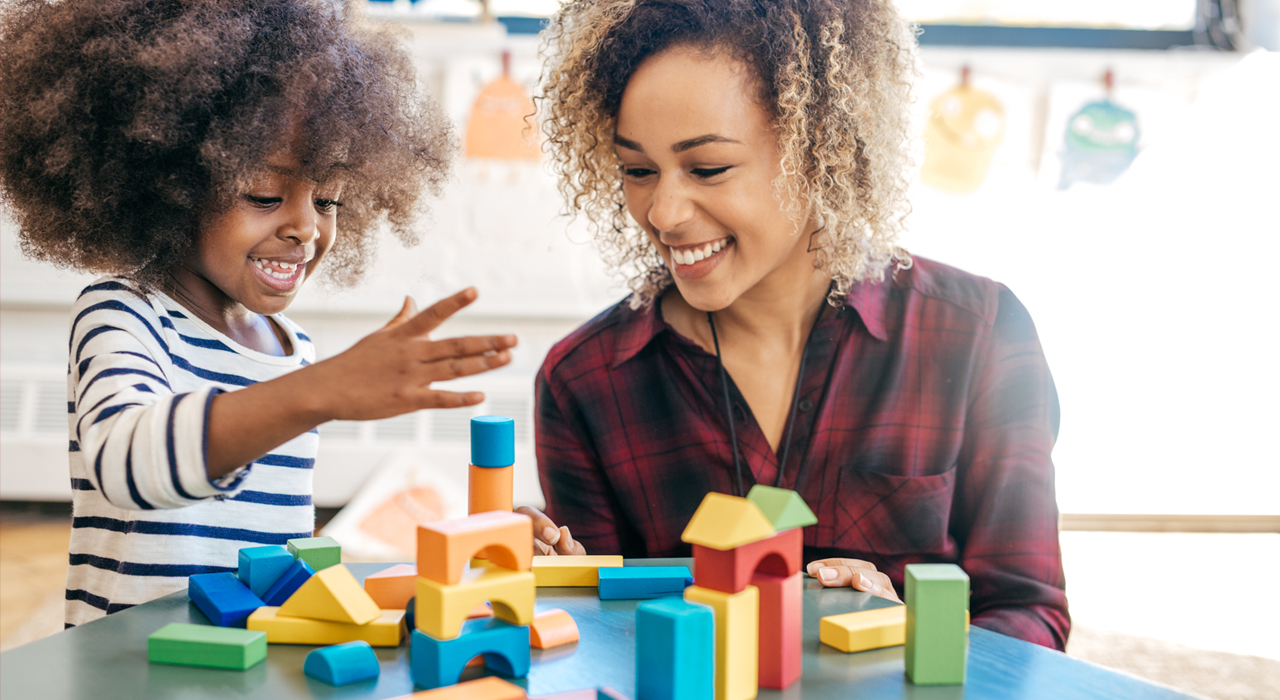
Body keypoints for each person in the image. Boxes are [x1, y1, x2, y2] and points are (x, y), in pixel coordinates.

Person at [520, 0, 1070, 650]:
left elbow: (1028, 615)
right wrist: (555, 589)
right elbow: (605, 647)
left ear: (822, 147)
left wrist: (913, 637)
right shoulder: (584, 381)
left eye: (708, 168)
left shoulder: (979, 335)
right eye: (638, 171)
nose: (663, 214)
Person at [0, 0, 517, 627]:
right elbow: (128, 465)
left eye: (327, 199)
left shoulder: (292, 350)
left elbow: (279, 574)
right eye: (265, 195)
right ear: (170, 184)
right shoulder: (126, 316)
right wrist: (316, 392)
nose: (306, 227)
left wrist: (462, 557)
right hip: (131, 672)